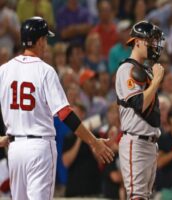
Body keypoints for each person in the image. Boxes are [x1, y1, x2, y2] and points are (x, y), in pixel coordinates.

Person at [0, 16, 114, 200]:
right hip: (39, 147)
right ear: (38, 41)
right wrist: (94, 142)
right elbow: (65, 113)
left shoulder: (4, 70)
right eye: (45, 39)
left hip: (15, 148)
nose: (46, 44)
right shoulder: (45, 70)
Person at [115, 20, 165, 200]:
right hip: (135, 141)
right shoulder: (126, 69)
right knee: (137, 196)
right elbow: (139, 104)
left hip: (149, 142)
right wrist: (157, 80)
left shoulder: (143, 69)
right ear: (137, 41)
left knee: (143, 196)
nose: (153, 45)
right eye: (149, 40)